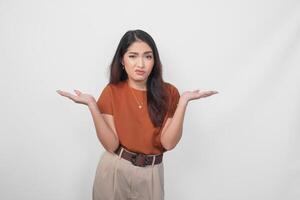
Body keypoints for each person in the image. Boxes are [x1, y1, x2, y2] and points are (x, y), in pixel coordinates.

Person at [56, 29, 218, 200]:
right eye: (133, 56)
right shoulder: (112, 91)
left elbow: (168, 143)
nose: (140, 64)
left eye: (148, 56)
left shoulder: (169, 92)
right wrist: (92, 106)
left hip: (152, 174)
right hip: (115, 169)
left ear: (154, 61)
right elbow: (111, 145)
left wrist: (183, 102)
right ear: (122, 60)